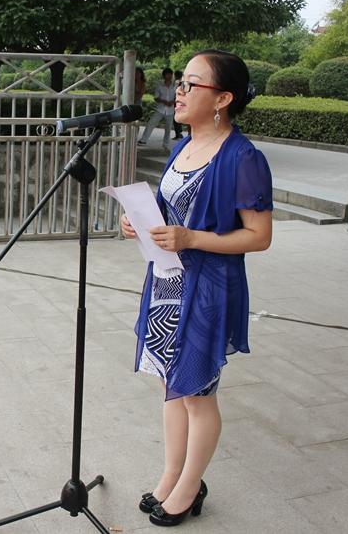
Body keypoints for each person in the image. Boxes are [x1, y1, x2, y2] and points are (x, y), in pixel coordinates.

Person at [120, 49, 272, 527]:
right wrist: (141, 223)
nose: (178, 92)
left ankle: (190, 486)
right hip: (167, 281)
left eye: (191, 84)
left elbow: (259, 236)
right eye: (181, 83)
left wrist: (190, 239)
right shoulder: (182, 146)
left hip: (208, 288)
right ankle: (171, 475)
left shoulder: (243, 158)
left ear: (223, 99)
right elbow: (174, 213)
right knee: (171, 384)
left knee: (198, 392)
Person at [138, 67, 175, 152]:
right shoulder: (159, 85)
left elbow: (177, 96)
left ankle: (166, 144)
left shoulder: (175, 86)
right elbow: (156, 97)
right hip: (160, 109)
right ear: (164, 75)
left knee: (168, 128)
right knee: (151, 123)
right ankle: (143, 140)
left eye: (170, 74)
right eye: (167, 74)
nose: (169, 76)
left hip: (170, 110)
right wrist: (164, 101)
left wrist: (172, 102)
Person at [172, 70, 184, 139]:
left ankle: (178, 134)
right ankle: (179, 133)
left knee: (176, 119)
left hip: (176, 102)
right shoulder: (183, 82)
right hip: (179, 102)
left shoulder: (177, 82)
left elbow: (174, 92)